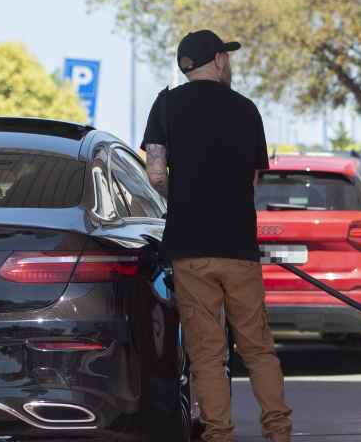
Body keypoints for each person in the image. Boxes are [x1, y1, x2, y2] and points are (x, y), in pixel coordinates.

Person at [142, 30, 292, 442]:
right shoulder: (246, 109)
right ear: (220, 60)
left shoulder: (166, 105)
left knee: (207, 354)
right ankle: (279, 432)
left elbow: (155, 173)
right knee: (257, 348)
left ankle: (218, 435)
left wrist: (184, 197)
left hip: (190, 250)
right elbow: (253, 180)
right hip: (239, 248)